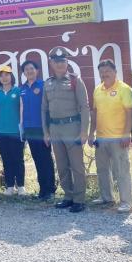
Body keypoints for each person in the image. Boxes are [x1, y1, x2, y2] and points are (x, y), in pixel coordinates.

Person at [41, 47, 90, 212]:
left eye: (62, 61)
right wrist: (46, 132)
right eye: (56, 61)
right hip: (55, 128)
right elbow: (44, 110)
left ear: (67, 62)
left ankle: (79, 199)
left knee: (77, 165)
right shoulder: (47, 82)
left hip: (72, 127)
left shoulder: (76, 80)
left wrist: (84, 131)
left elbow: (84, 107)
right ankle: (68, 196)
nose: (59, 64)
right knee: (62, 165)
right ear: (51, 63)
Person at [89, 60, 132, 213]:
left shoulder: (124, 89)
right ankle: (106, 197)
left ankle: (126, 202)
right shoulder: (97, 89)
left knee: (121, 170)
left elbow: (129, 113)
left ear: (115, 71)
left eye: (107, 71)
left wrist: (126, 134)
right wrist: (91, 133)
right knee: (102, 169)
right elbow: (94, 113)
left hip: (118, 137)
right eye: (102, 72)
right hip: (101, 138)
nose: (104, 74)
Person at [20, 60, 56, 201]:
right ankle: (42, 190)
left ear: (37, 71)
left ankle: (50, 190)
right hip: (29, 129)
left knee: (46, 159)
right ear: (23, 73)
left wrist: (48, 129)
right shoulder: (22, 88)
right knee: (37, 160)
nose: (29, 71)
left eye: (31, 68)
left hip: (42, 128)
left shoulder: (43, 85)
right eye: (26, 69)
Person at [0, 66, 27, 196]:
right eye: (1, 75)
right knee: (6, 160)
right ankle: (9, 186)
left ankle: (21, 186)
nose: (4, 77)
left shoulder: (18, 91)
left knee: (18, 159)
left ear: (11, 77)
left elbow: (23, 110)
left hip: (16, 132)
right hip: (1, 132)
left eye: (7, 75)